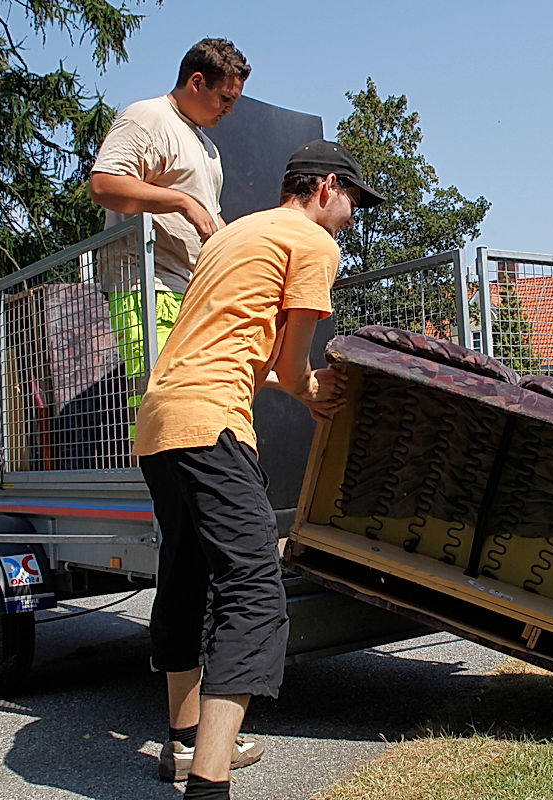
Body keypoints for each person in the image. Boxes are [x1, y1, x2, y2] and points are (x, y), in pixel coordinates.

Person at [132, 139, 385, 799]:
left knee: (185, 578)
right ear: (327, 187)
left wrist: (300, 386)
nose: (351, 218)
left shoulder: (234, 236)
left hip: (159, 422)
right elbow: (293, 366)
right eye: (352, 202)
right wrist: (314, 388)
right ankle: (208, 786)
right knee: (253, 592)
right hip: (212, 423)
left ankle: (185, 743)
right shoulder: (313, 242)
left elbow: (250, 360)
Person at [90, 37, 250, 400]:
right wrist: (182, 202)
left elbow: (208, 217)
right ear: (196, 82)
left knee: (207, 405)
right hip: (146, 285)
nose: (229, 110)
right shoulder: (147, 116)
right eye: (225, 98)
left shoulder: (208, 148)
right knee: (163, 405)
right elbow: (103, 185)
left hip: (195, 294)